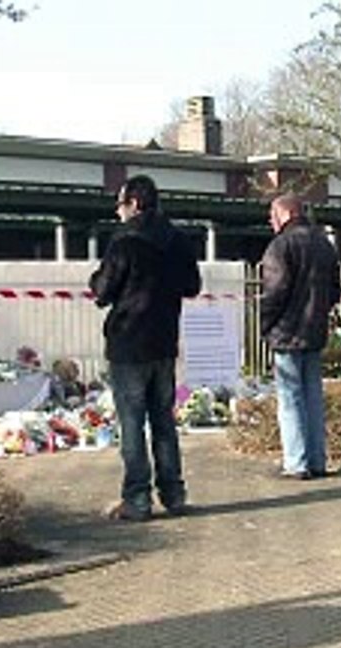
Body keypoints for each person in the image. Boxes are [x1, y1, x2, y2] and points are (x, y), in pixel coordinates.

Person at [89, 174, 202, 521]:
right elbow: (192, 286)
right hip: (165, 341)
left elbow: (103, 290)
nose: (118, 211)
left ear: (135, 203)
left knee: (132, 423)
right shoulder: (178, 239)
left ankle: (137, 499)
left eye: (120, 204)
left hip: (128, 341)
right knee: (164, 422)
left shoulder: (125, 240)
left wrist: (97, 279)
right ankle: (174, 493)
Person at [260, 192, 341, 480]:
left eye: (272, 215)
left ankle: (296, 462)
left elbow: (275, 290)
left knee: (290, 397)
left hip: (286, 332)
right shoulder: (324, 244)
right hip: (315, 331)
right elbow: (335, 290)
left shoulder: (280, 246)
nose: (270, 221)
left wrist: (265, 324)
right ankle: (317, 460)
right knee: (313, 396)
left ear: (284, 214)